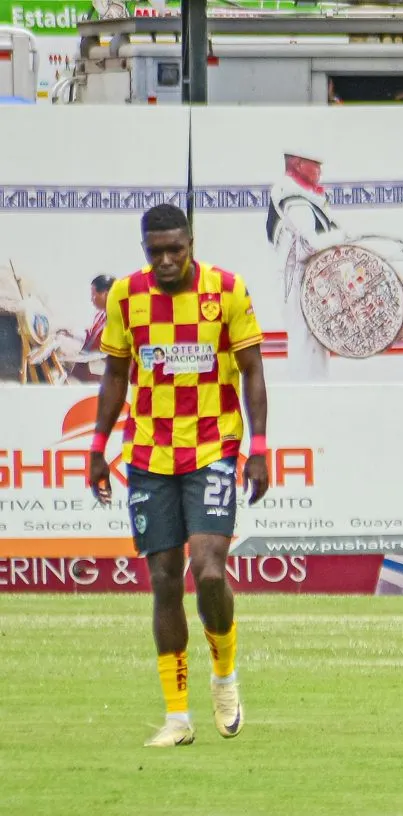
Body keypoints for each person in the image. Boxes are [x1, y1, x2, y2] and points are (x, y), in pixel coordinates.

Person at [90, 203, 270, 748]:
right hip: (148, 455)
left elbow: (253, 371)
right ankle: (177, 718)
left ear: (191, 243)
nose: (166, 260)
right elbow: (115, 374)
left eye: (176, 249)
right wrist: (98, 447)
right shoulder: (126, 295)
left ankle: (224, 677)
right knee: (165, 580)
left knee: (209, 572)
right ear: (144, 250)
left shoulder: (227, 290)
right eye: (156, 252)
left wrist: (258, 447)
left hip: (213, 447)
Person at [266, 150, 345, 382]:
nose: (320, 171)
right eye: (315, 165)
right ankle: (304, 395)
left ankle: (317, 393)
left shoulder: (302, 195)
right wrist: (343, 238)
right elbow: (311, 243)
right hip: (297, 277)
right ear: (298, 164)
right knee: (303, 339)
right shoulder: (293, 196)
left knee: (315, 339)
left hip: (309, 277)